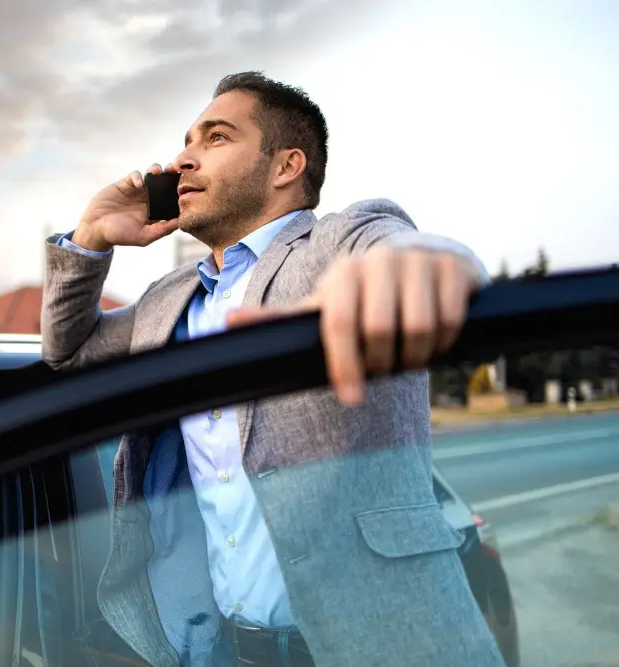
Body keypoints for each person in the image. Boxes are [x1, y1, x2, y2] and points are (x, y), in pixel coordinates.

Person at [41, 71, 505, 667]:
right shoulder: (167, 299)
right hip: (231, 652)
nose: (182, 159)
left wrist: (426, 266)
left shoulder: (336, 245)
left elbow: (397, 246)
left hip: (393, 644)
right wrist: (92, 237)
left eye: (215, 138)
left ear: (287, 166)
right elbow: (67, 355)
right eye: (186, 139)